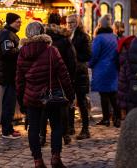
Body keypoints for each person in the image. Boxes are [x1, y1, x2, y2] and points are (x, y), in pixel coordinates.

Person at [16, 22, 74, 168]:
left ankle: (37, 161)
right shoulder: (51, 50)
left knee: (33, 128)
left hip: (31, 96)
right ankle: (55, 158)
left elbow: (19, 80)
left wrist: (21, 101)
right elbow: (64, 75)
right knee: (57, 126)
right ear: (43, 32)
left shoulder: (22, 52)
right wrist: (70, 95)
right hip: (51, 95)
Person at [42, 12, 77, 145]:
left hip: (44, 77)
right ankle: (66, 135)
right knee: (62, 107)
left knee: (44, 106)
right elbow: (72, 60)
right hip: (61, 78)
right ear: (60, 23)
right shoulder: (64, 38)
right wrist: (70, 78)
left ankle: (42, 136)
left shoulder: (43, 38)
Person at [89, 14, 120, 127]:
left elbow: (94, 54)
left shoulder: (99, 38)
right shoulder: (114, 37)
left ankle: (106, 118)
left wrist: (90, 64)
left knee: (104, 95)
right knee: (113, 94)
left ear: (100, 25)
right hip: (113, 69)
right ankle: (117, 118)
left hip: (101, 69)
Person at [0, 12, 22, 139]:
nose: (20, 24)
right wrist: (21, 48)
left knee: (10, 103)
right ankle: (6, 131)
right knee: (8, 103)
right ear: (11, 21)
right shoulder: (6, 34)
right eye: (18, 21)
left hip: (10, 75)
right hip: (8, 75)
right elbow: (8, 52)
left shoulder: (10, 33)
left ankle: (9, 128)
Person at [66, 13, 91, 140]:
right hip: (69, 72)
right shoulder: (66, 36)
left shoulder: (83, 36)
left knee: (81, 101)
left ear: (78, 23)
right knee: (69, 100)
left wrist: (74, 58)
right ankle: (70, 127)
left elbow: (87, 55)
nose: (69, 25)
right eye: (68, 22)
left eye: (72, 22)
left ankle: (85, 129)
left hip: (80, 72)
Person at [117, 35, 135, 117]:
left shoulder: (122, 57)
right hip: (127, 91)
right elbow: (130, 77)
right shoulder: (129, 59)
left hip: (122, 88)